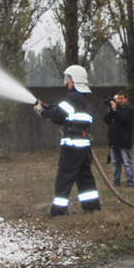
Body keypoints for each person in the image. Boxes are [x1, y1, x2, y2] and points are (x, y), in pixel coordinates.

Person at [34, 65, 100, 215]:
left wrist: (41, 111)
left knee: (64, 177)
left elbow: (58, 115)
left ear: (74, 79)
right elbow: (63, 115)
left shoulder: (73, 97)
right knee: (84, 177)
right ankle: (92, 208)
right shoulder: (81, 98)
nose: (66, 83)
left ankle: (58, 211)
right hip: (82, 144)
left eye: (68, 79)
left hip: (72, 145)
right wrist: (47, 109)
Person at [104, 90, 134, 187]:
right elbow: (106, 120)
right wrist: (110, 111)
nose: (119, 100)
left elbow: (123, 118)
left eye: (121, 98)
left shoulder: (129, 109)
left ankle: (130, 182)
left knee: (127, 162)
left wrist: (114, 109)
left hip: (124, 139)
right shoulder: (115, 109)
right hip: (114, 139)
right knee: (115, 162)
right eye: (118, 98)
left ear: (126, 99)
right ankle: (116, 181)